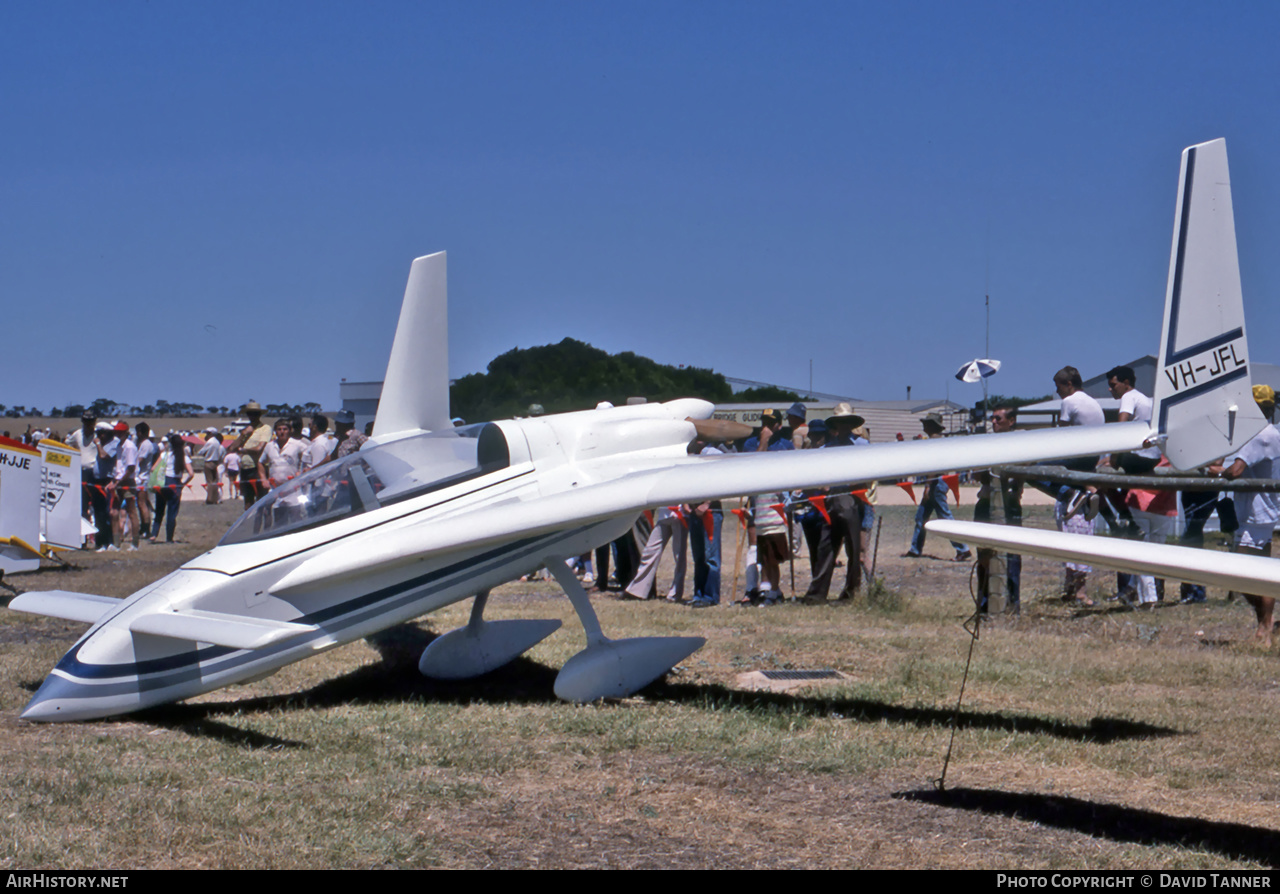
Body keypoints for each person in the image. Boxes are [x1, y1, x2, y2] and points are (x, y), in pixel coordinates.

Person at [1217, 385, 1280, 647]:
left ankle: (1266, 622)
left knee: (1243, 571)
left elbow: (1235, 470)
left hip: (1257, 512)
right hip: (1259, 510)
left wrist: (1215, 471)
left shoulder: (1259, 436)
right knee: (1253, 571)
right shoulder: (1270, 432)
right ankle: (1264, 624)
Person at [801, 404, 865, 604]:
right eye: (841, 423)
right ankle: (817, 594)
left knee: (853, 549)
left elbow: (869, 474)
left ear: (851, 425)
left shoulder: (861, 447)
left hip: (851, 499)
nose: (844, 427)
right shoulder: (826, 449)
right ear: (836, 425)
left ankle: (850, 593)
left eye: (847, 423)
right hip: (830, 501)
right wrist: (824, 487)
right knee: (825, 547)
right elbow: (816, 473)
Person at [903, 413, 971, 561]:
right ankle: (915, 549)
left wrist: (927, 486)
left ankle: (963, 549)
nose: (924, 425)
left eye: (926, 423)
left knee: (945, 517)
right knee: (921, 517)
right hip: (939, 482)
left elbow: (933, 467)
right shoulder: (941, 441)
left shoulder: (934, 442)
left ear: (932, 425)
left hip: (936, 482)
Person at [975, 406, 1023, 615]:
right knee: (984, 556)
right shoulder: (985, 443)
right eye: (992, 418)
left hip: (1010, 504)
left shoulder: (1019, 443)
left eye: (998, 419)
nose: (994, 422)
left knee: (1012, 557)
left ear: (1011, 421)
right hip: (986, 503)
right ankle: (985, 605)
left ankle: (1012, 604)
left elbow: (1022, 470)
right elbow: (978, 474)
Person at [228, 401, 271, 508]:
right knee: (247, 502)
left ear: (260, 414)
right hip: (245, 469)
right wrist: (243, 435)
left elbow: (259, 449)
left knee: (262, 501)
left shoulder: (265, 428)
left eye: (255, 413)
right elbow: (231, 448)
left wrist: (243, 450)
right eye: (250, 413)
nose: (252, 416)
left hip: (258, 468)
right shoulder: (246, 430)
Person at [151, 434, 193, 543]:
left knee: (159, 511)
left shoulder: (164, 454)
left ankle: (154, 534)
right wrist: (183, 484)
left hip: (162, 483)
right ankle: (169, 538)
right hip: (175, 483)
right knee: (172, 513)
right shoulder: (184, 457)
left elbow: (153, 468)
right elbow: (191, 473)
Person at [108, 421, 141, 551]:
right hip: (118, 481)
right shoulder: (118, 446)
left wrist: (118, 482)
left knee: (132, 512)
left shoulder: (129, 446)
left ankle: (135, 544)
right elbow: (119, 466)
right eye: (117, 431)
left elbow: (130, 468)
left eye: (120, 432)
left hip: (127, 482)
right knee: (114, 512)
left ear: (126, 433)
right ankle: (116, 543)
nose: (118, 434)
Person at [197, 430, 226, 504]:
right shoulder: (217, 442)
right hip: (215, 462)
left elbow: (201, 452)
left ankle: (209, 499)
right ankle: (215, 498)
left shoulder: (210, 442)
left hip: (209, 461)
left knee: (209, 481)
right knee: (215, 481)